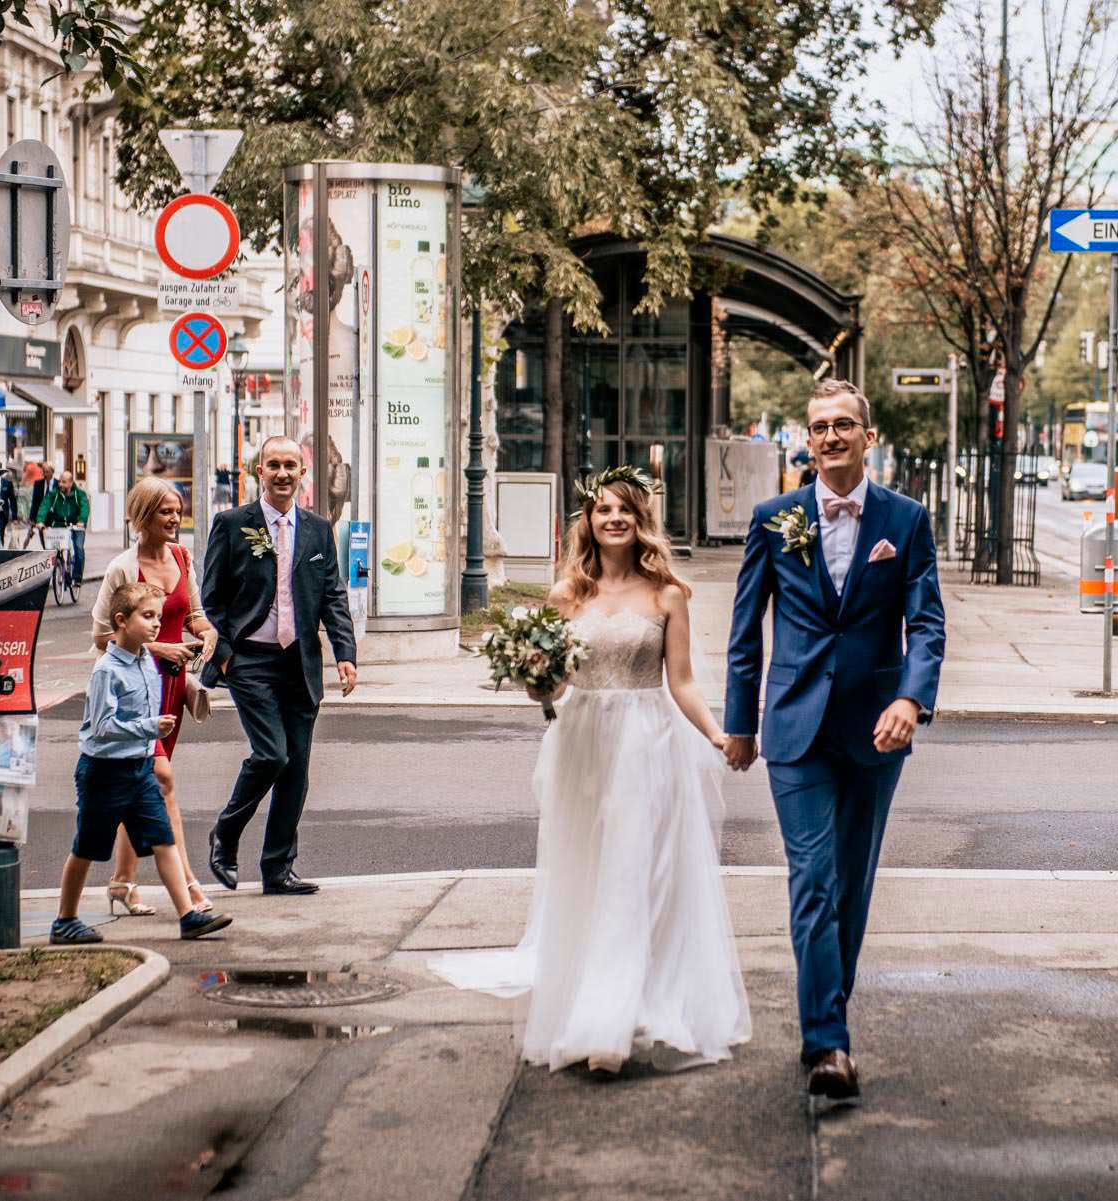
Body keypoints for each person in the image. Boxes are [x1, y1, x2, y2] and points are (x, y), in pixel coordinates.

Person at [430, 467, 750, 1076]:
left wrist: (715, 734)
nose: (614, 519)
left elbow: (679, 681)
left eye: (625, 510)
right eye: (603, 510)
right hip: (580, 742)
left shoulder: (668, 596)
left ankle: (612, 1019)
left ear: (641, 521)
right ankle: (586, 994)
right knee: (586, 872)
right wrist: (531, 675)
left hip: (645, 742)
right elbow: (550, 687)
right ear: (589, 519)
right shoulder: (565, 596)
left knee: (633, 872)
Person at [723, 378, 947, 1100]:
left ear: (867, 436)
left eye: (844, 424)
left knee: (852, 883)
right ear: (807, 438)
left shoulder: (906, 520)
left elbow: (928, 621)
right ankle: (828, 1042)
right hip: (794, 728)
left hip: (877, 729)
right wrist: (740, 722)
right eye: (819, 426)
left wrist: (912, 697)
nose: (830, 436)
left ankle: (828, 1006)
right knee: (812, 879)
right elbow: (743, 635)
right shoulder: (772, 520)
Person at [201, 436, 356, 895]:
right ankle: (225, 834)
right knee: (272, 754)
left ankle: (277, 869)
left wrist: (345, 655)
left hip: (300, 664)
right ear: (259, 471)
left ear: (303, 473)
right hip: (249, 661)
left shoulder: (316, 528)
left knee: (296, 769)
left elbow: (332, 595)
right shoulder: (232, 525)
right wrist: (225, 658)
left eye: (291, 465)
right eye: (274, 465)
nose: (283, 473)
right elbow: (211, 600)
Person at [50, 581, 232, 945]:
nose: (155, 625)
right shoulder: (106, 670)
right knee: (86, 847)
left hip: (140, 768)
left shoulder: (148, 661)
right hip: (104, 772)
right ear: (121, 620)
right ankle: (65, 920)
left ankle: (188, 917)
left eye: (158, 617)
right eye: (147, 617)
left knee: (164, 840)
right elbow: (100, 728)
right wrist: (150, 727)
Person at [90, 478, 219, 916]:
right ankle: (190, 889)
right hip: (133, 689)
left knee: (141, 782)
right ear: (142, 515)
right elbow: (100, 635)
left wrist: (207, 632)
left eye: (177, 509)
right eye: (165, 510)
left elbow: (194, 614)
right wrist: (157, 647)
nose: (174, 518)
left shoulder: (183, 557)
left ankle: (123, 883)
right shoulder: (123, 568)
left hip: (172, 686)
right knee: (162, 780)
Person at [34, 470, 89, 583]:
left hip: (76, 526)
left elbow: (84, 508)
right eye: (59, 481)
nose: (60, 484)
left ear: (70, 483)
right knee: (53, 549)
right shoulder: (54, 494)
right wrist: (40, 520)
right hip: (59, 525)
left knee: (78, 549)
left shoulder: (79, 494)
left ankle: (77, 577)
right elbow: (45, 505)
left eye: (64, 482)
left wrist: (82, 521)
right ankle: (58, 569)